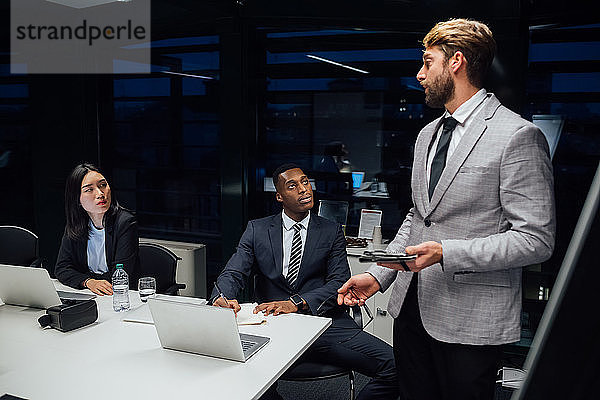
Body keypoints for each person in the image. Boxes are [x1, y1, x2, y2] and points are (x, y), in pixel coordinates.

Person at [337, 18, 556, 400]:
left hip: (471, 318)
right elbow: (418, 218)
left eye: (427, 62)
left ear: (456, 62)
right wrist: (378, 275)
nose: (420, 74)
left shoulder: (517, 135)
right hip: (412, 310)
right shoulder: (427, 135)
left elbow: (536, 240)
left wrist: (446, 253)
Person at [211, 163, 398, 400]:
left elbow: (338, 282)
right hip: (273, 327)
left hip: (324, 325)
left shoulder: (331, 231)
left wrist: (296, 302)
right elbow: (234, 272)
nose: (303, 189)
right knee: (235, 372)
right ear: (279, 196)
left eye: (305, 182)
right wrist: (222, 297)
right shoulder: (257, 230)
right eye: (293, 185)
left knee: (396, 366)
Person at [55, 163, 139, 295]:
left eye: (103, 185)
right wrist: (88, 282)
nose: (100, 193)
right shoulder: (76, 225)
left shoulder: (125, 223)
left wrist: (83, 277)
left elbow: (119, 276)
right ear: (77, 198)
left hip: (120, 296)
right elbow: (61, 269)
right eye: (89, 190)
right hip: (91, 294)